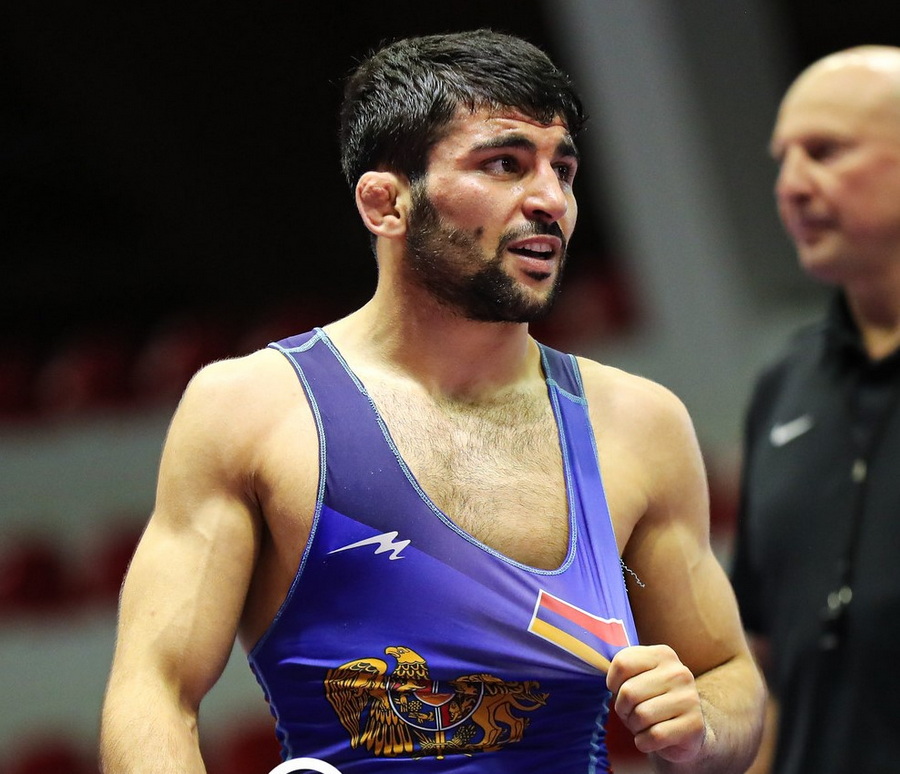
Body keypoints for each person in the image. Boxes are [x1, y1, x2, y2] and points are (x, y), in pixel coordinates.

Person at [99, 29, 763, 774]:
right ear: (386, 203)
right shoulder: (249, 410)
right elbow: (153, 690)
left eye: (564, 170)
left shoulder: (639, 422)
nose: (551, 201)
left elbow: (728, 676)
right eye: (505, 164)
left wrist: (703, 723)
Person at [730, 45, 900, 774]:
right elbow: (764, 661)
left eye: (825, 152)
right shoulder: (785, 384)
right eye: (784, 159)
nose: (791, 186)